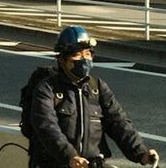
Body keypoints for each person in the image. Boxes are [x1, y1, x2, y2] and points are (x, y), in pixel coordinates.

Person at [29, 26, 159, 168]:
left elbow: (118, 122)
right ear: (62, 60)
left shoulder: (97, 87)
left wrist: (141, 153)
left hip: (92, 164)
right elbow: (47, 127)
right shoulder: (47, 89)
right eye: (78, 55)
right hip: (56, 164)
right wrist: (70, 156)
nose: (84, 59)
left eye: (87, 54)